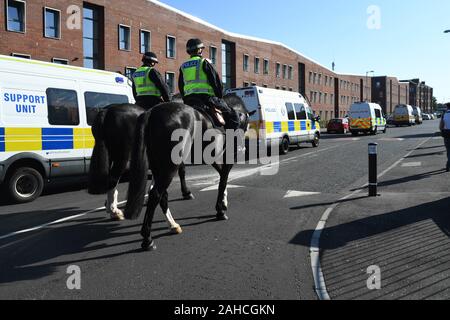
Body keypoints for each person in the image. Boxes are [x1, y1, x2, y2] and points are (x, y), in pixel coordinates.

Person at [178, 38, 240, 130]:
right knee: (233, 116)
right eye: (201, 49)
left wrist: (185, 99)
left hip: (189, 100)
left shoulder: (183, 66)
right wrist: (219, 97)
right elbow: (216, 82)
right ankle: (231, 143)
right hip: (206, 99)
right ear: (199, 50)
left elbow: (181, 86)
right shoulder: (204, 62)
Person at [439, 102, 450, 172]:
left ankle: (448, 164)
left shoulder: (444, 115)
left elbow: (440, 126)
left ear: (447, 107)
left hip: (446, 134)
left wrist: (443, 130)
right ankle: (448, 164)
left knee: (448, 150)